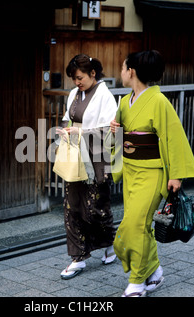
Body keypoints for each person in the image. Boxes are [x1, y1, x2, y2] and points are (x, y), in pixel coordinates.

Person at [110, 50, 194, 297]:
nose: (120, 73)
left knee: (133, 227)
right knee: (142, 227)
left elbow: (174, 138)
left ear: (132, 72)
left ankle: (137, 281)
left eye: (122, 68)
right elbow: (118, 142)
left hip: (152, 173)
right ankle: (155, 272)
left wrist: (176, 175)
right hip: (130, 171)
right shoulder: (124, 102)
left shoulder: (159, 101)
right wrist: (115, 131)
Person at [56, 54, 118, 280]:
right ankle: (78, 257)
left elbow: (111, 131)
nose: (77, 82)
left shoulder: (104, 95)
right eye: (74, 79)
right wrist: (64, 130)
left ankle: (110, 242)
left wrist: (81, 133)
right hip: (75, 156)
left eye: (80, 77)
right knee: (72, 206)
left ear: (93, 73)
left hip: (96, 157)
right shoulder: (74, 94)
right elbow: (67, 118)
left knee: (96, 208)